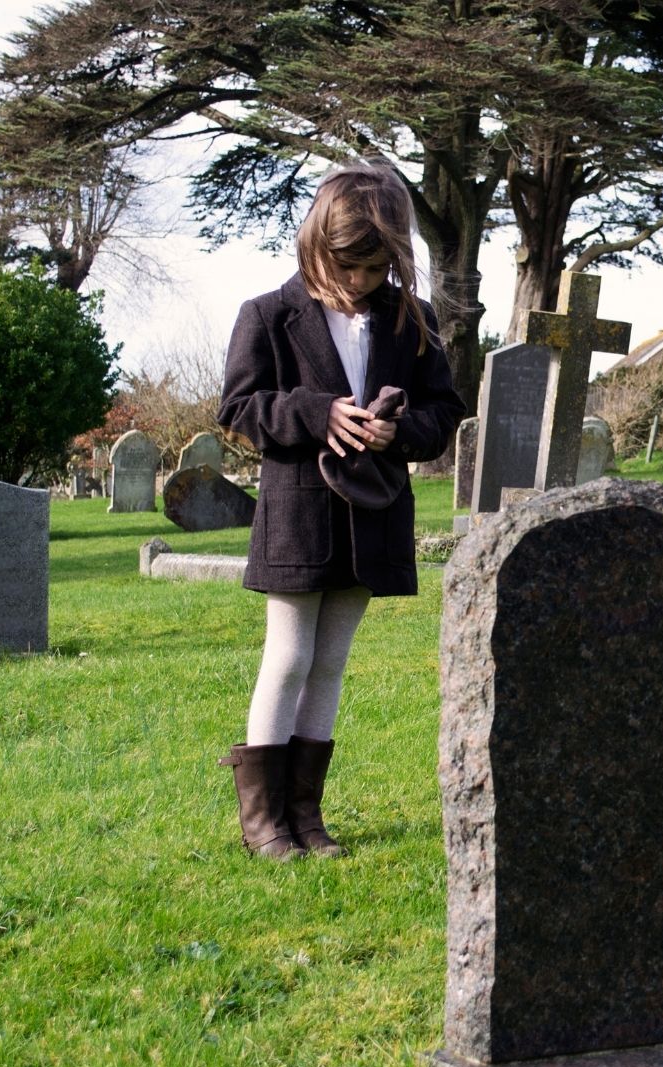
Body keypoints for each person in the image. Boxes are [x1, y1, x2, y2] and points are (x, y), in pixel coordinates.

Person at [215, 162, 466, 860]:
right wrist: (316, 412)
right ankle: (264, 822)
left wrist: (401, 430)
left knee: (330, 663)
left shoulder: (413, 319)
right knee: (290, 655)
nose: (358, 280)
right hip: (298, 515)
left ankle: (306, 814)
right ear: (314, 245)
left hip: (375, 513)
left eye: (374, 266)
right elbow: (237, 407)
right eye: (346, 265)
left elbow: (444, 410)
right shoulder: (267, 314)